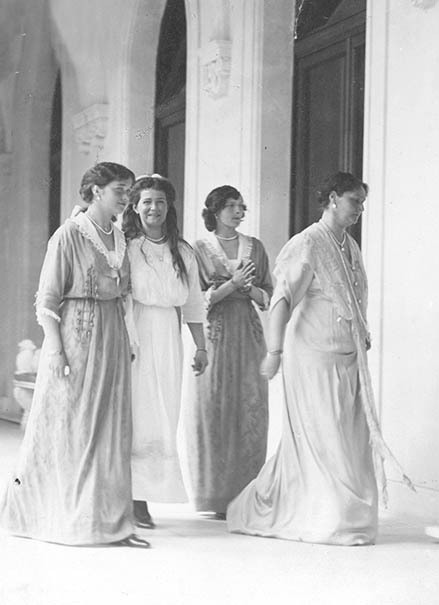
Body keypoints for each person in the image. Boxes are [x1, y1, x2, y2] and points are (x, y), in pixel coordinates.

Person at [227, 171, 414, 546]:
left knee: (345, 439)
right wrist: (274, 351)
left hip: (347, 358)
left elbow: (350, 299)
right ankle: (329, 518)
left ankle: (338, 513)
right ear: (331, 199)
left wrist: (360, 332)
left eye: (362, 202)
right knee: (325, 438)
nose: (360, 209)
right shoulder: (307, 244)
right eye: (353, 201)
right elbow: (281, 302)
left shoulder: (350, 246)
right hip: (311, 358)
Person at [0, 162, 149, 548]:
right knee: (74, 426)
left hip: (113, 337)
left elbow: (125, 294)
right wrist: (54, 348)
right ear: (96, 190)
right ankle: (66, 516)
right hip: (77, 338)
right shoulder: (68, 236)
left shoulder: (119, 237)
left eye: (129, 190)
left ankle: (112, 520)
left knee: (111, 429)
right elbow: (47, 299)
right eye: (120, 189)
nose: (126, 197)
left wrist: (129, 338)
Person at [122, 175, 208, 529]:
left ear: (169, 206)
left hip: (169, 337)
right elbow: (123, 297)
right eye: (146, 202)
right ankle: (132, 497)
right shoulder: (126, 247)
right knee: (137, 413)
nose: (153, 208)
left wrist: (201, 346)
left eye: (159, 201)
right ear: (135, 207)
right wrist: (127, 340)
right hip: (135, 331)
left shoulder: (183, 252)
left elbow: (193, 304)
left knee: (163, 413)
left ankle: (147, 491)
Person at [183, 185, 273, 518]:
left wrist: (250, 290)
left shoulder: (256, 248)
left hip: (248, 333)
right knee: (213, 405)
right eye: (231, 206)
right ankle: (213, 496)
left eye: (241, 206)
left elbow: (269, 295)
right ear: (215, 210)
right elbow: (196, 298)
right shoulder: (198, 249)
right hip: (215, 333)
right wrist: (232, 285)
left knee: (249, 405)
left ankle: (245, 495)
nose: (238, 211)